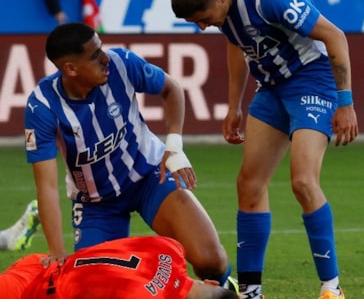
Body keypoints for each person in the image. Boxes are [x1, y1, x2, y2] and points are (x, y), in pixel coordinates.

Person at [170, 0, 359, 299]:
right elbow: (235, 41)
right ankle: (251, 291)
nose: (201, 28)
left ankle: (332, 288)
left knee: (302, 181)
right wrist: (233, 105)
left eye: (201, 19)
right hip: (271, 85)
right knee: (249, 183)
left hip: (313, 79)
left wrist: (345, 102)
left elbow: (335, 36)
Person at [24, 23, 232, 287]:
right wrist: (56, 250)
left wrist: (174, 146)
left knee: (210, 261)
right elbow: (47, 185)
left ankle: (229, 289)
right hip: (96, 204)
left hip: (150, 177)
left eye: (101, 48)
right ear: (71, 69)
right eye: (94, 55)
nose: (105, 58)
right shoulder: (41, 106)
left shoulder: (123, 64)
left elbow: (172, 89)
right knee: (93, 286)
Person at [0, 236, 238, 299]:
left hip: (43, 263)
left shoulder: (171, 248)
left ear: (211, 282)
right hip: (29, 293)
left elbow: (109, 247)